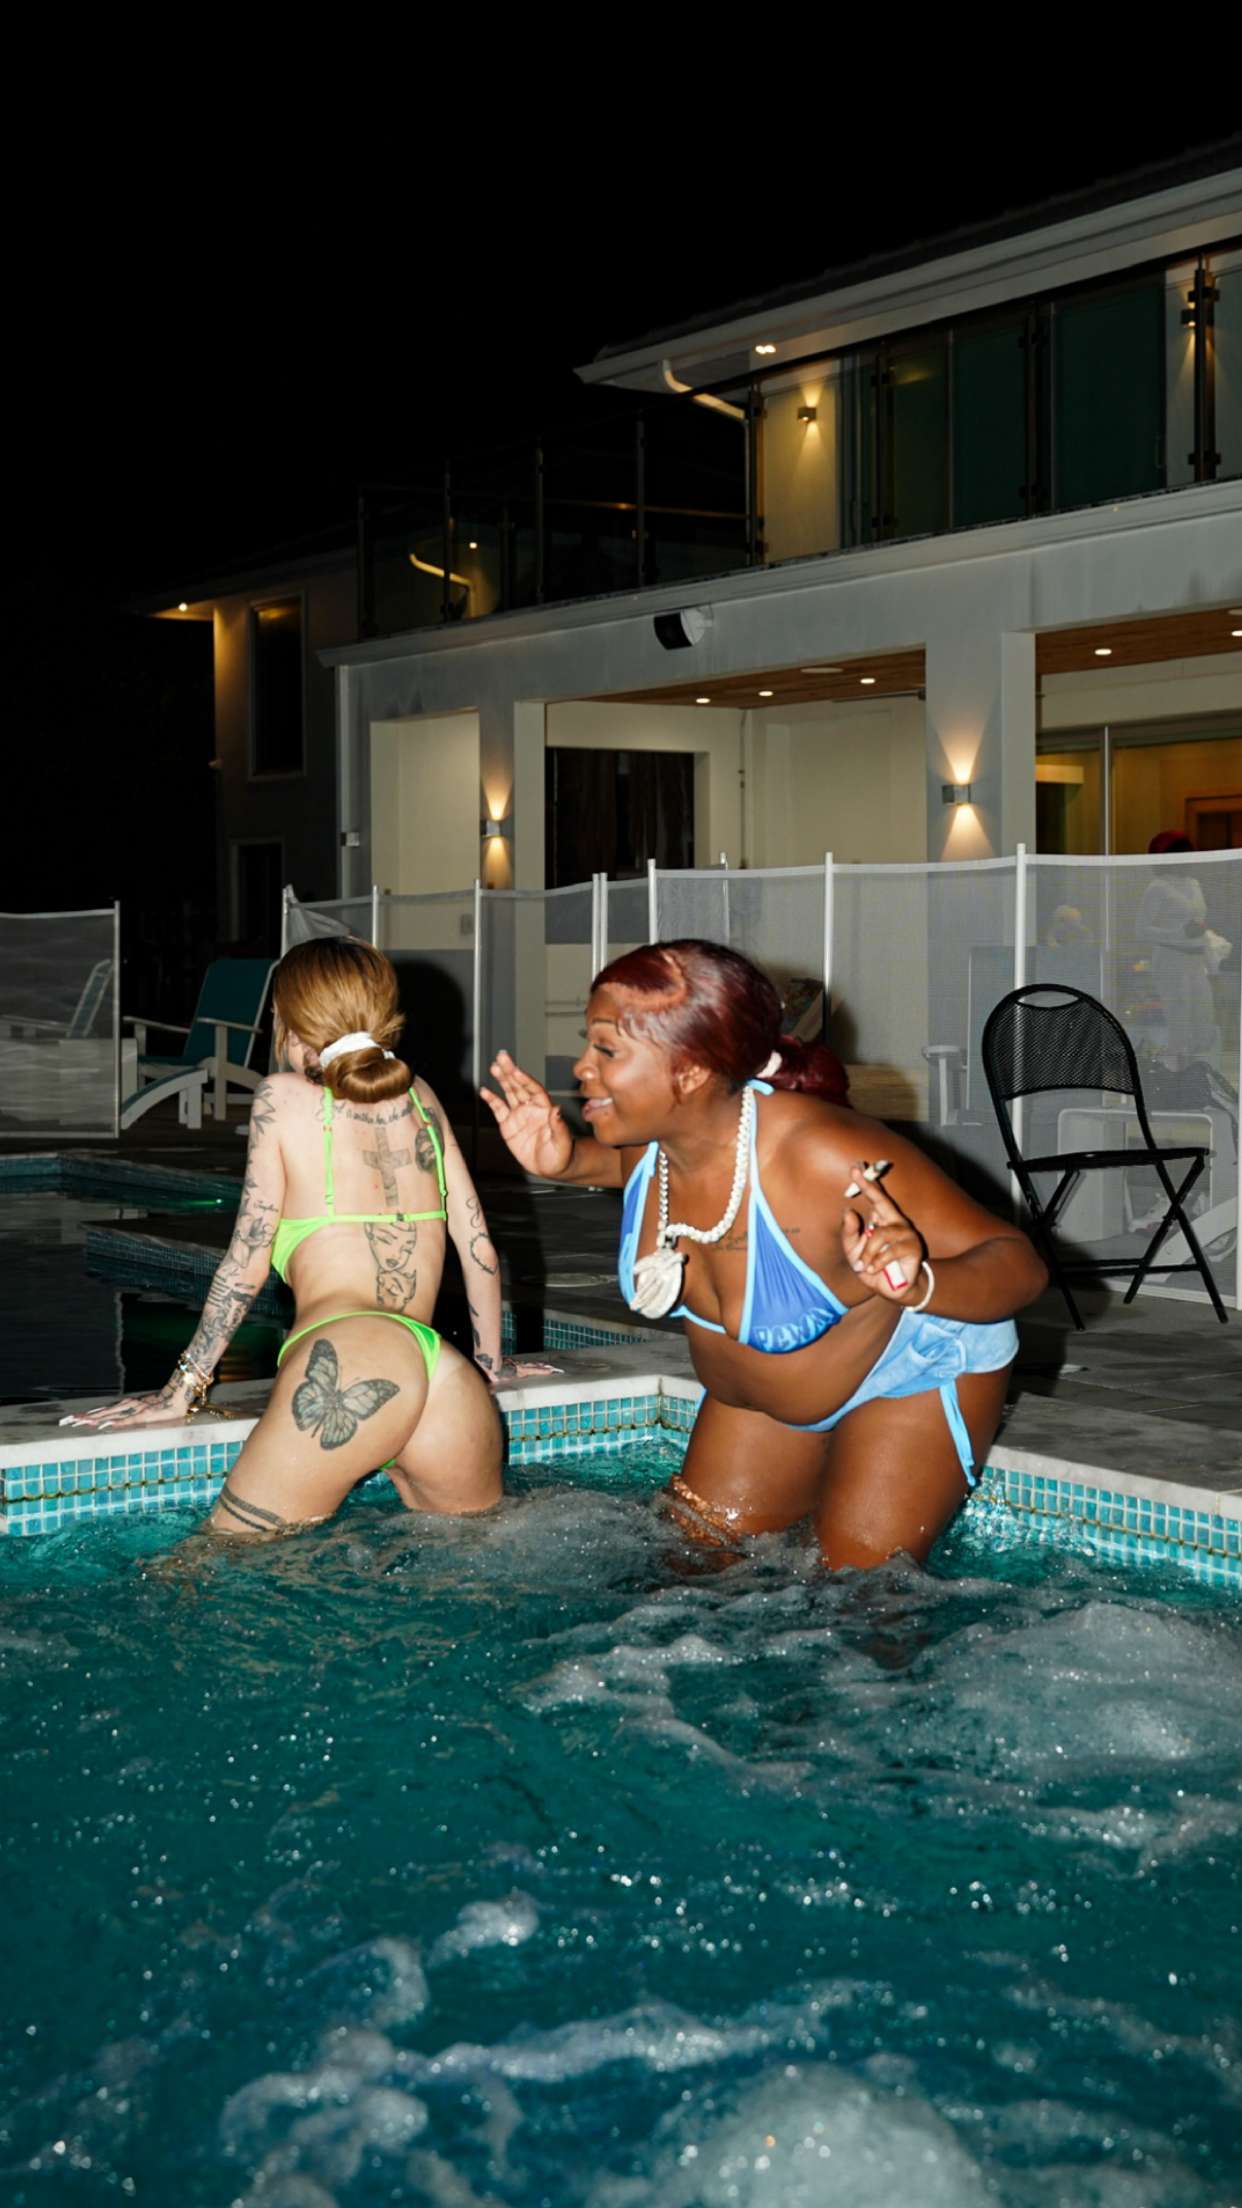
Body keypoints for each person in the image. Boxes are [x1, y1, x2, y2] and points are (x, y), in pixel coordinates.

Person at [482, 940, 1048, 1570]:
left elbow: (1018, 1263)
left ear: (690, 1071)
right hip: (759, 1403)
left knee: (858, 1598)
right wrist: (564, 1163)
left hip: (911, 1373)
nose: (582, 1068)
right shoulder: (655, 1142)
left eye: (606, 1050)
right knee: (681, 1568)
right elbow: (628, 1167)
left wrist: (924, 1284)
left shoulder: (824, 1156)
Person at [65, 939, 543, 1536]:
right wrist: (491, 1366)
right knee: (469, 1565)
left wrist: (181, 1388)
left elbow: (246, 1262)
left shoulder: (281, 1097)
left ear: (289, 1023)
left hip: (348, 1360)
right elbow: (478, 1247)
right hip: (447, 1378)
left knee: (209, 1569)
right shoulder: (421, 1098)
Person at [1136, 830, 1230, 1071]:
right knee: (1178, 1023)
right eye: (1184, 854)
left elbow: (1198, 923)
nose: (1190, 859)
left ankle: (1196, 1076)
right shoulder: (1157, 887)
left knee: (1203, 1022)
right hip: (1171, 959)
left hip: (1197, 960)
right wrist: (1179, 933)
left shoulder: (1194, 884)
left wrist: (1212, 962)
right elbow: (1142, 930)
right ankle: (1173, 1078)